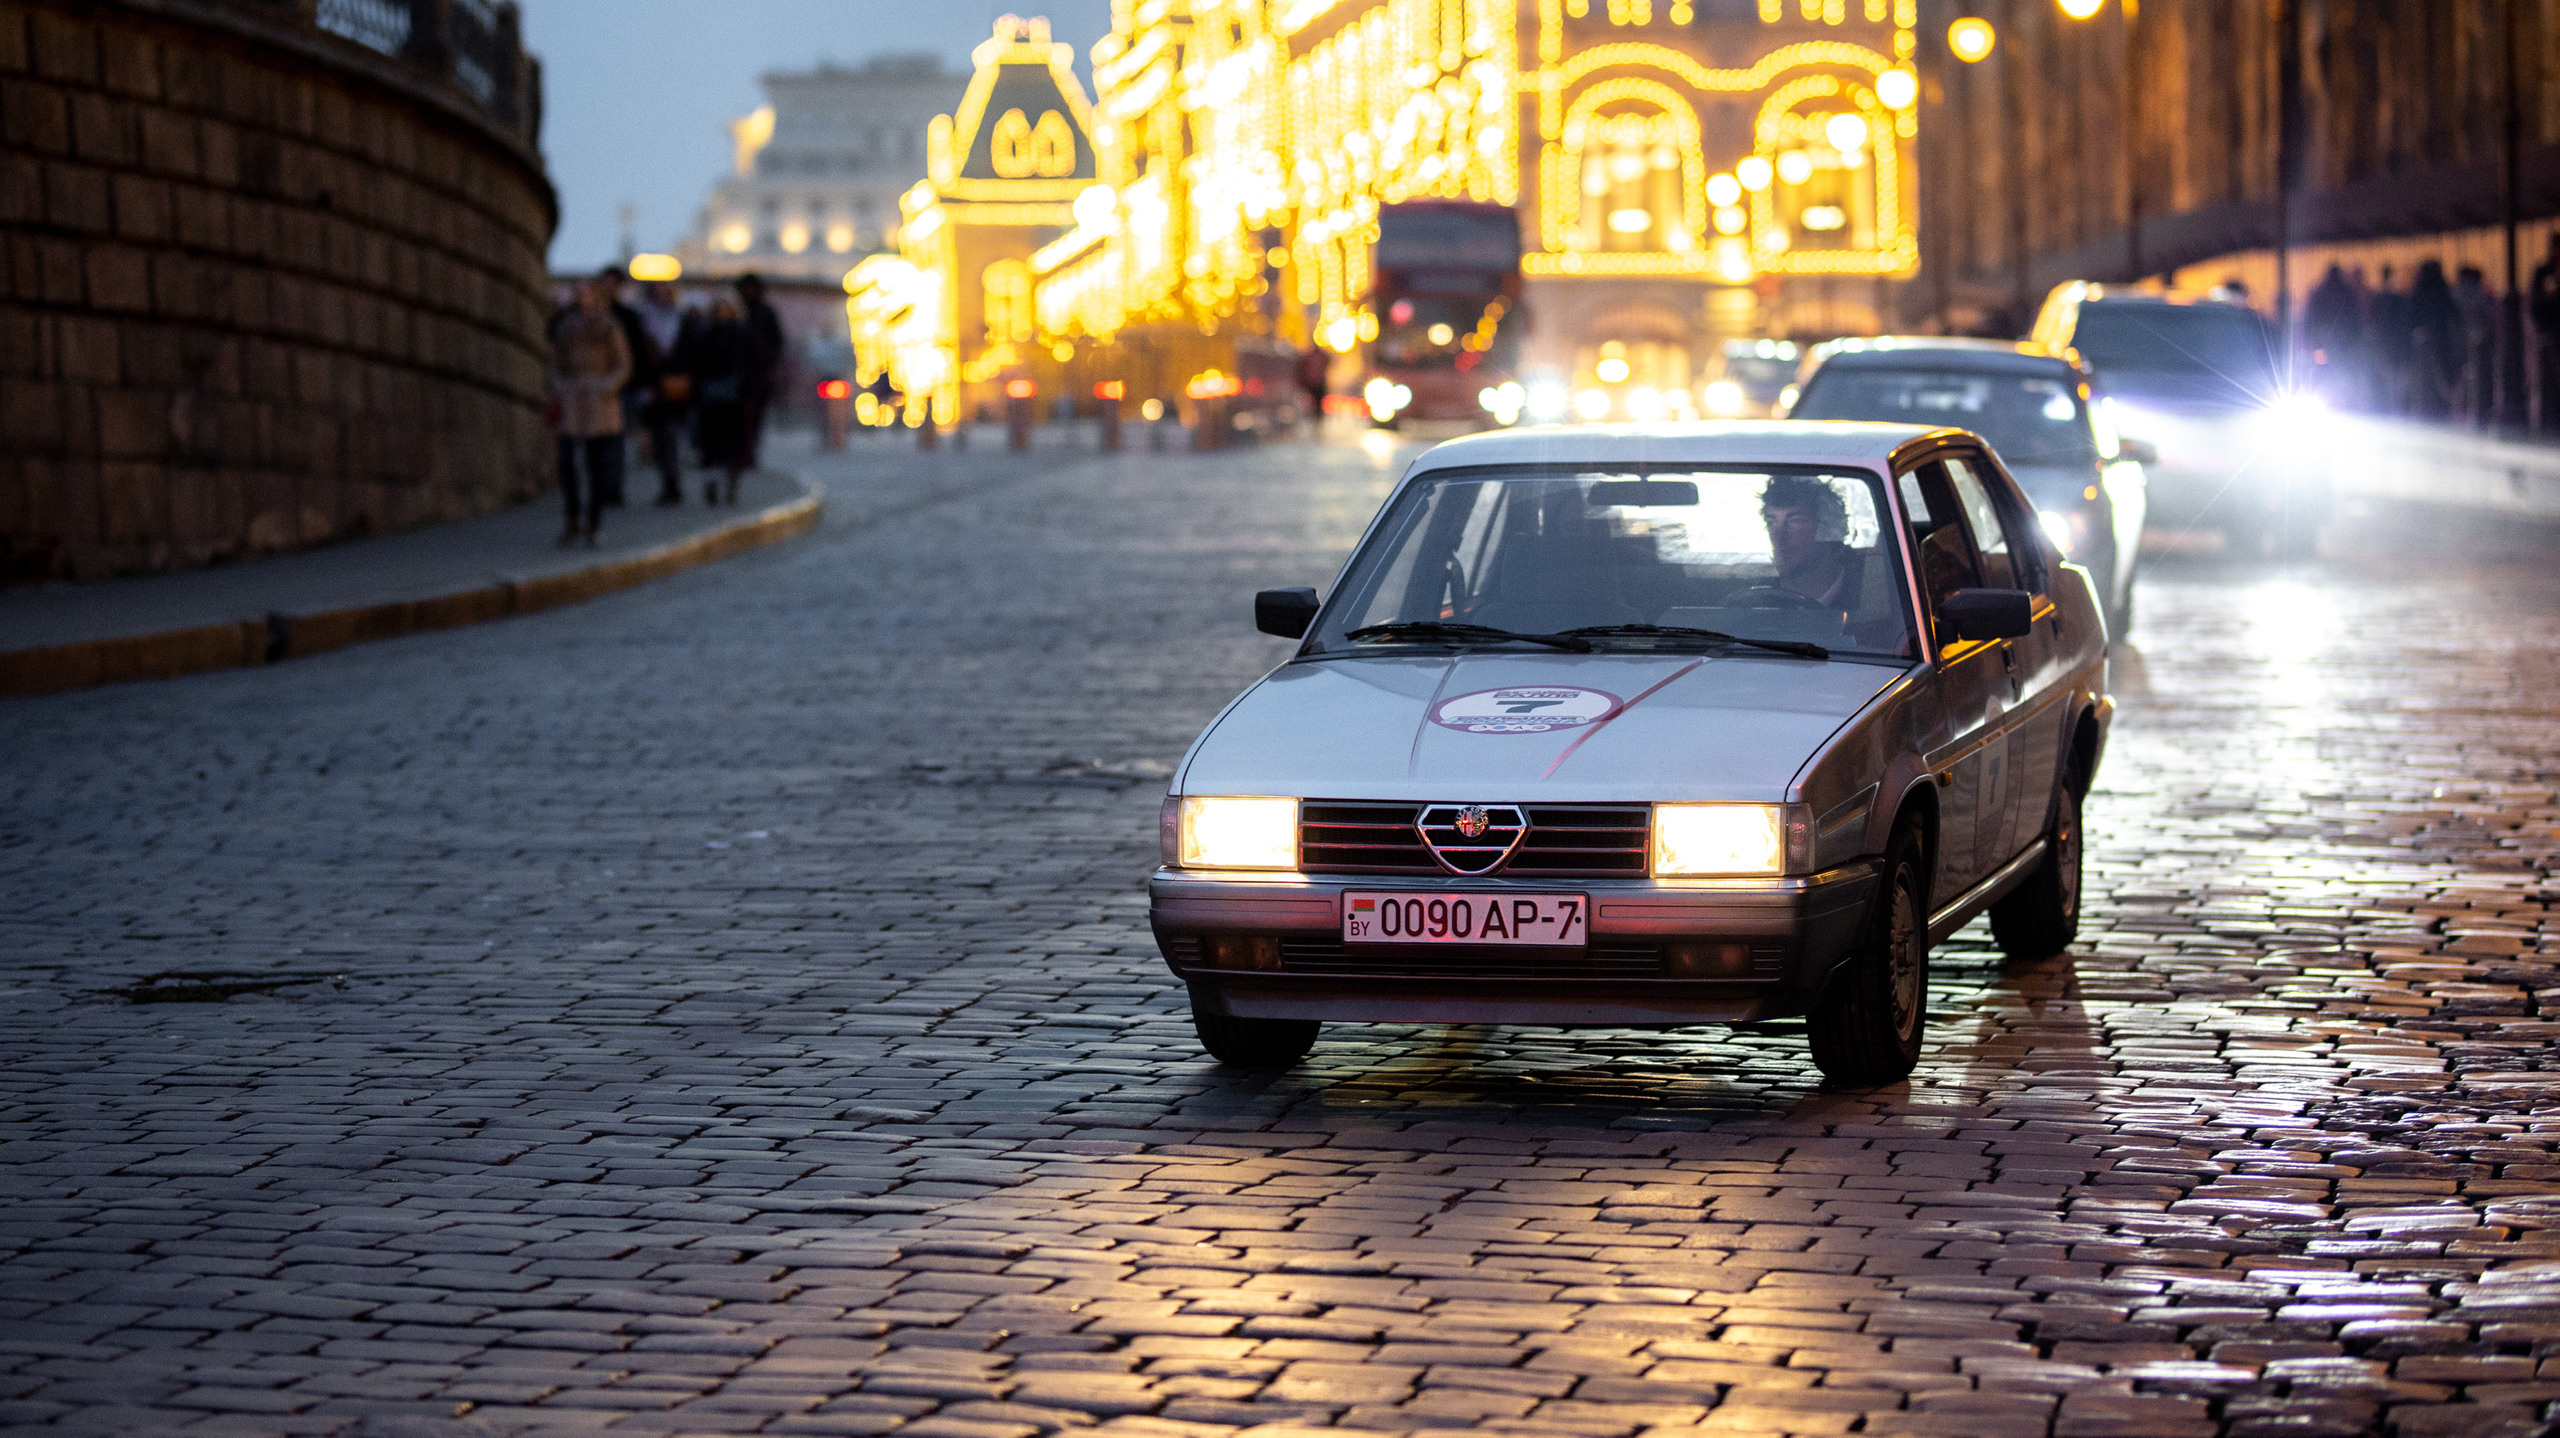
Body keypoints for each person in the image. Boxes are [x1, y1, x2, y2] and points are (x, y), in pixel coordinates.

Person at [548, 278, 631, 547]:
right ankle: (572, 518)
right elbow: (555, 363)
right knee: (567, 462)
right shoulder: (566, 327)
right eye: (578, 293)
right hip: (572, 399)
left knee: (597, 465)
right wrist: (561, 386)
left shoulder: (608, 326)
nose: (582, 298)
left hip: (599, 402)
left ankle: (593, 522)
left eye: (587, 293)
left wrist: (605, 386)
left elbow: (622, 364)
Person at [675, 296, 753, 504]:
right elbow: (694, 362)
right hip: (709, 398)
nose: (720, 312)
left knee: (734, 444)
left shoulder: (742, 334)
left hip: (736, 398)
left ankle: (731, 483)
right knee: (710, 444)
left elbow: (755, 364)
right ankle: (712, 483)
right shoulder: (704, 334)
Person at [635, 282, 691, 505]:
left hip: (675, 385)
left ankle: (673, 480)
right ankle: (668, 479)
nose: (662, 298)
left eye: (665, 294)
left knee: (671, 434)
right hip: (653, 386)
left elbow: (687, 350)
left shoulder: (680, 320)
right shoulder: (644, 320)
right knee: (659, 436)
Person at [735, 274, 784, 475]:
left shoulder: (765, 313)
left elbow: (776, 342)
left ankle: (749, 453)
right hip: (738, 374)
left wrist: (768, 365)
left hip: (758, 376)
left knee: (755, 418)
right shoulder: (737, 311)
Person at [2407, 261, 2463, 421]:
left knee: (2425, 380)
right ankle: (2440, 409)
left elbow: (2412, 316)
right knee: (2441, 375)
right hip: (2441, 340)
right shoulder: (2442, 290)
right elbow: (2453, 313)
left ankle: (2426, 409)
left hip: (2424, 342)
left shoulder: (2420, 290)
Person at [2303, 263, 2363, 405]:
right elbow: (2354, 319)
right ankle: (2341, 401)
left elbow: (2310, 318)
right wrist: (2354, 341)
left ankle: (2323, 400)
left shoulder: (2319, 293)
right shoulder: (2347, 293)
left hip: (2323, 343)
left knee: (2322, 373)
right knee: (2341, 374)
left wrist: (2310, 341)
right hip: (2342, 345)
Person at [2454, 265, 2496, 427]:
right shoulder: (2480, 294)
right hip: (2478, 339)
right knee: (2477, 376)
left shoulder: (2455, 292)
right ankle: (2475, 409)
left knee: (2461, 375)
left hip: (2460, 340)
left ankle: (2461, 408)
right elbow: (2489, 316)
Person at [2369, 264, 2412, 414]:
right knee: (2394, 376)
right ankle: (2395, 405)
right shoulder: (2397, 297)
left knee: (2388, 375)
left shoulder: (2380, 298)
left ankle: (2390, 405)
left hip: (2385, 341)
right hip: (2394, 341)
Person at [2531, 233, 2560, 434]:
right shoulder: (2544, 272)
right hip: (2551, 332)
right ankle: (2550, 422)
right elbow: (2536, 304)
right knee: (2550, 381)